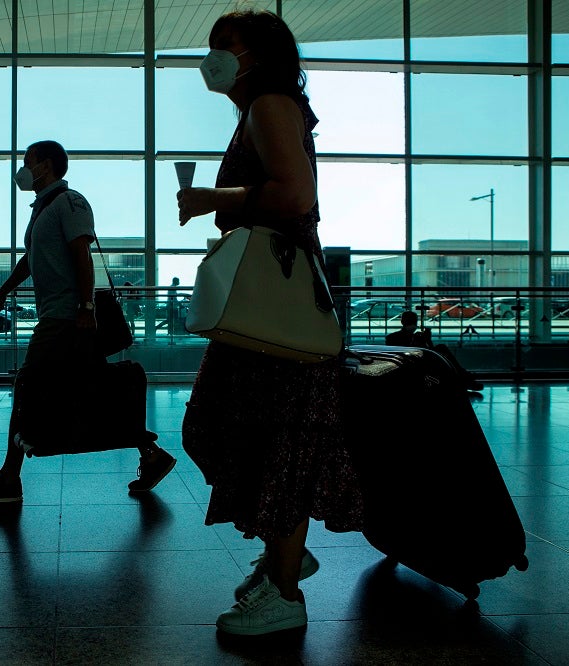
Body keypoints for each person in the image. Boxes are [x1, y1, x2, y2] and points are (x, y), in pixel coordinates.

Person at [176, 11, 363, 636]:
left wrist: (212, 199)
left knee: (275, 435)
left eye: (224, 47)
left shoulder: (270, 104)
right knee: (235, 429)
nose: (213, 58)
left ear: (256, 55)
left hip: (277, 300)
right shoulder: (259, 107)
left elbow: (295, 197)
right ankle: (285, 553)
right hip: (275, 297)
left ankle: (284, 592)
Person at [0, 140, 176, 503]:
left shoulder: (69, 202)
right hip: (60, 315)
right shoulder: (42, 208)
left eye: (28, 161)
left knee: (28, 384)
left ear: (45, 166)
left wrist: (86, 307)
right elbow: (30, 260)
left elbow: (82, 254)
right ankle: (151, 455)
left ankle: (9, 478)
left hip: (66, 317)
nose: (23, 169)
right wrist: (4, 291)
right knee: (94, 388)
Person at [386, 310, 484, 392]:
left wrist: (425, 340)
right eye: (414, 322)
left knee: (441, 350)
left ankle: (464, 378)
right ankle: (465, 377)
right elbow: (429, 352)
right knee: (441, 350)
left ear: (402, 322)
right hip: (415, 364)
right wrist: (426, 340)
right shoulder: (410, 337)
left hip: (417, 362)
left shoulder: (392, 337)